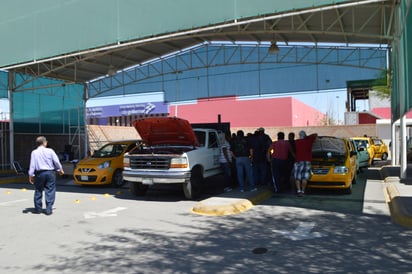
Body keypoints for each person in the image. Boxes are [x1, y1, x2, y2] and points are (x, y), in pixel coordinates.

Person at [28, 136, 64, 215]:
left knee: (38, 190)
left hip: (39, 173)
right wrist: (60, 169)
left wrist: (31, 175)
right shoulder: (50, 151)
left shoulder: (34, 152)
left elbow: (32, 165)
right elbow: (56, 161)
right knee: (50, 190)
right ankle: (48, 209)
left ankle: (38, 209)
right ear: (44, 143)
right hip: (50, 173)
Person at [294, 130, 317, 197]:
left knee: (297, 177)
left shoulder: (297, 142)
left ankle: (298, 191)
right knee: (304, 177)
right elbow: (315, 134)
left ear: (299, 135)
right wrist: (307, 137)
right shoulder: (309, 141)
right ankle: (303, 191)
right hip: (307, 161)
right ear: (305, 135)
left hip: (298, 161)